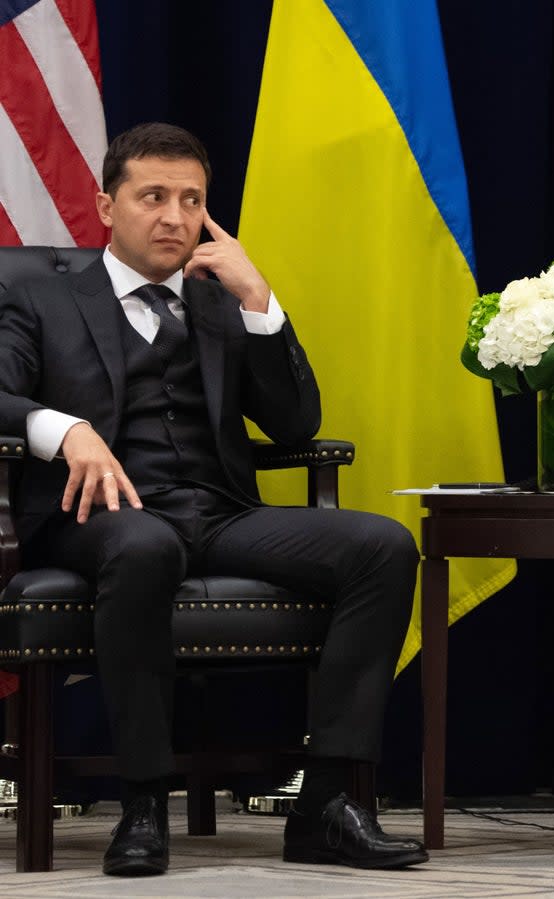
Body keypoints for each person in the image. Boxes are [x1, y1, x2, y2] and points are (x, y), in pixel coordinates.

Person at [0, 123, 428, 876]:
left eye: (192, 200)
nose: (174, 217)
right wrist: (63, 430)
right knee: (144, 544)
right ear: (106, 205)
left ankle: (326, 801)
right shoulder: (45, 299)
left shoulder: (220, 305)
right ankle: (141, 804)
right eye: (153, 196)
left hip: (220, 511)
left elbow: (296, 424)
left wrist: (260, 300)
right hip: (96, 519)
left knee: (383, 545)